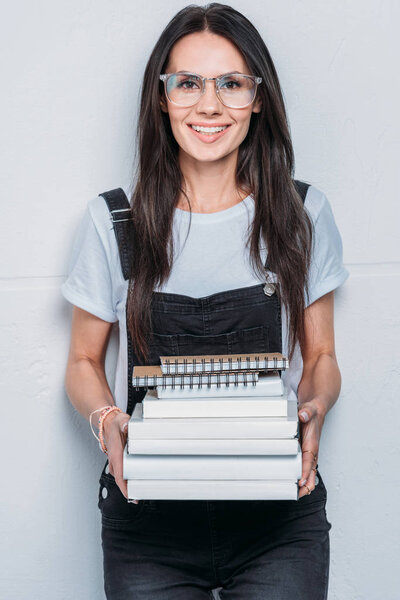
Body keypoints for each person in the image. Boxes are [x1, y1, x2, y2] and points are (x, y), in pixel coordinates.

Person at [62, 3, 349, 599]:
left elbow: (321, 354)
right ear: (161, 97)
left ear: (259, 97)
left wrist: (316, 407)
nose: (209, 105)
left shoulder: (302, 216)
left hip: (277, 515)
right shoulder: (114, 221)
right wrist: (107, 420)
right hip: (147, 521)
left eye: (232, 83)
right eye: (187, 83)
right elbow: (84, 362)